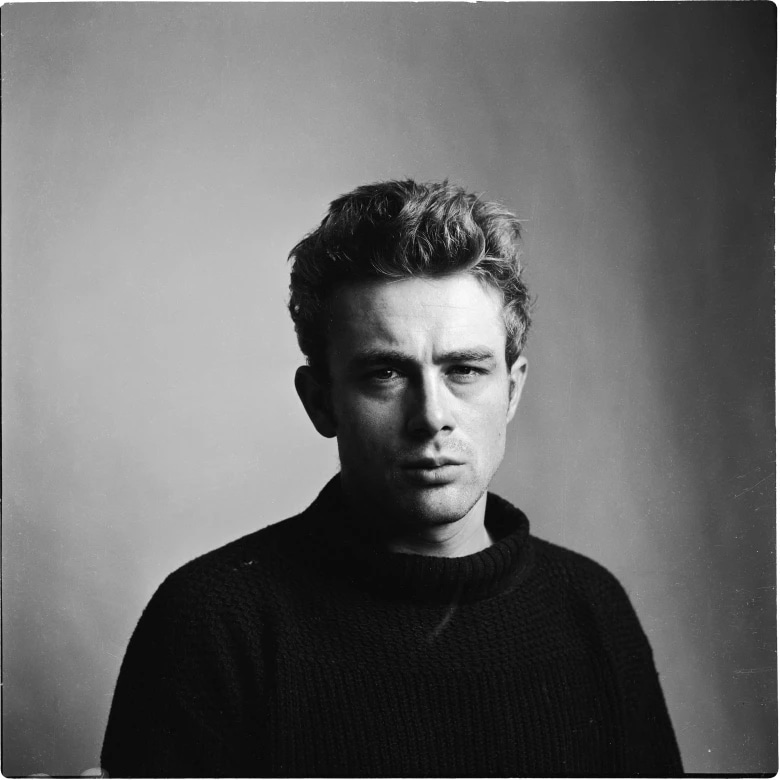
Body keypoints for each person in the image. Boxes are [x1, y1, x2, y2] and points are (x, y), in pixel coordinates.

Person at [101, 180, 683, 777]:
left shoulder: (593, 606)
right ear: (321, 402)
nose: (431, 416)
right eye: (385, 373)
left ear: (511, 390)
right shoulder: (212, 623)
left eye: (464, 370)